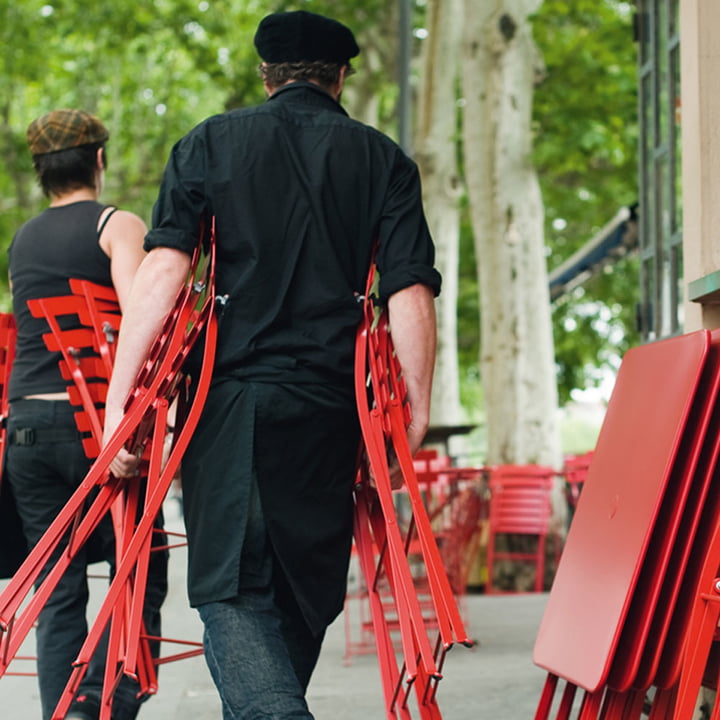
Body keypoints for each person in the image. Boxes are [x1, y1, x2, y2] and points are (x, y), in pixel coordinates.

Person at [103, 9, 441, 719]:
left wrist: (117, 411)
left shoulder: (209, 144)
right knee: (301, 591)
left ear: (266, 75)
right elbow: (408, 292)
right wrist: (415, 412)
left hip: (232, 406)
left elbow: (162, 278)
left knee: (232, 589)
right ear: (340, 77)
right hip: (333, 413)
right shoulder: (383, 160)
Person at [6, 109, 168, 720]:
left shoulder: (23, 238)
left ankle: (67, 713)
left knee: (57, 589)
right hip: (92, 427)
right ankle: (103, 703)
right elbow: (140, 321)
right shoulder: (116, 224)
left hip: (24, 429)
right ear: (99, 160)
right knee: (140, 567)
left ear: (41, 173)